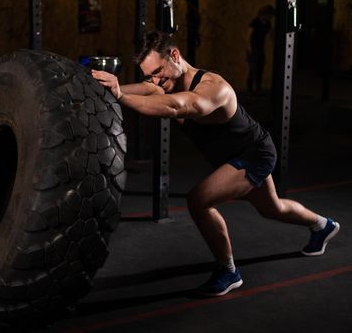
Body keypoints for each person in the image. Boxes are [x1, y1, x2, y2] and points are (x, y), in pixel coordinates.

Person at [91, 31, 340, 297]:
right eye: (149, 75)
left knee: (199, 200)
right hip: (235, 158)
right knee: (273, 208)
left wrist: (120, 96)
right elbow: (143, 89)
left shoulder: (213, 87)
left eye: (158, 72)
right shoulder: (165, 82)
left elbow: (178, 108)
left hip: (254, 154)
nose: (155, 80)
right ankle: (323, 225)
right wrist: (97, 88)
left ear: (175, 56)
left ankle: (228, 271)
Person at [246, 5, 274, 95]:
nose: (270, 17)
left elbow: (270, 35)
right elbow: (249, 35)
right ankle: (249, 91)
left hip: (260, 49)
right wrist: (249, 47)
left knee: (260, 69)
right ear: (265, 14)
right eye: (269, 15)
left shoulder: (267, 23)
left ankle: (258, 89)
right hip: (253, 49)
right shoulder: (255, 22)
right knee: (252, 69)